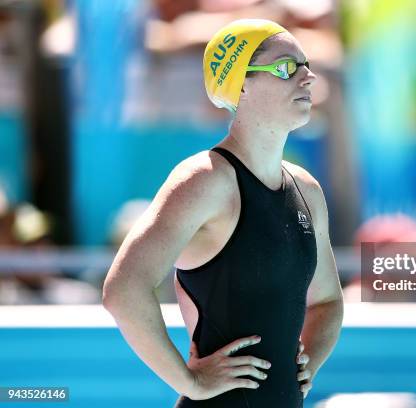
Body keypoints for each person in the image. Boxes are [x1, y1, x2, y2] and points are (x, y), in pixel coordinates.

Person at [102, 19, 344, 407]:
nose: (308, 77)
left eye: (307, 66)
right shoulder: (205, 180)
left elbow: (327, 301)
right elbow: (123, 290)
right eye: (286, 67)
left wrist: (308, 363)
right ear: (242, 83)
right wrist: (190, 382)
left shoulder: (307, 191)